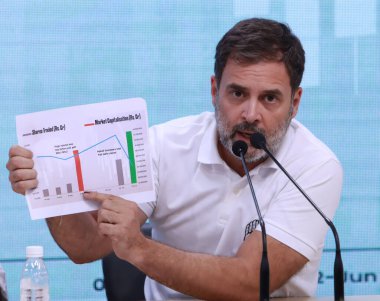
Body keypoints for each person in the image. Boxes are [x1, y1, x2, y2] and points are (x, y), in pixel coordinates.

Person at [7, 18, 343, 301]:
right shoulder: (164, 145)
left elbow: (250, 282)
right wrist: (50, 189)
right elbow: (86, 247)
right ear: (215, 90)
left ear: (295, 103)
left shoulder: (313, 166)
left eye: (270, 98)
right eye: (237, 93)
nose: (250, 114)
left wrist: (138, 248)